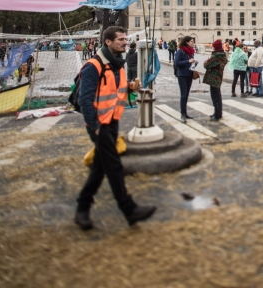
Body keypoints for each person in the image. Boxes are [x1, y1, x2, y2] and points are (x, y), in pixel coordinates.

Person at [75, 26, 156, 230]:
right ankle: (129, 209)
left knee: (99, 168)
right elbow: (85, 100)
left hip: (111, 121)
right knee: (113, 166)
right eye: (120, 39)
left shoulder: (117, 64)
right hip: (99, 125)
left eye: (124, 39)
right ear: (108, 42)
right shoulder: (93, 66)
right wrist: (94, 127)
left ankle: (82, 208)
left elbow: (114, 87)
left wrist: (129, 86)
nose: (124, 42)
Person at [175, 36, 198, 123]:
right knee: (183, 94)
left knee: (187, 94)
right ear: (187, 42)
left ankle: (185, 113)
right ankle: (182, 114)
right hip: (182, 75)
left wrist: (194, 64)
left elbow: (190, 64)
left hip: (189, 75)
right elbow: (177, 63)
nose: (193, 42)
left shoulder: (191, 52)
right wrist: (188, 61)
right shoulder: (180, 51)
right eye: (192, 41)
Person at [204, 40, 228, 121]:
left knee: (215, 96)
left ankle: (217, 115)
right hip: (219, 76)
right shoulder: (223, 55)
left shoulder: (215, 56)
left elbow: (207, 65)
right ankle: (217, 113)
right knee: (217, 95)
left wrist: (205, 62)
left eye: (214, 46)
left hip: (213, 78)